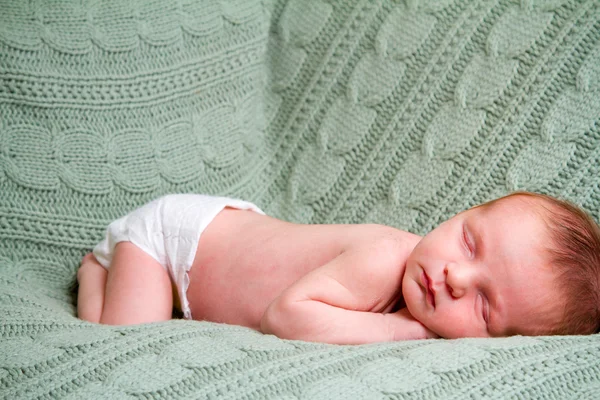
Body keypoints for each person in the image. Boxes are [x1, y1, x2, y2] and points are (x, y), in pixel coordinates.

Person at [76, 191, 600, 344]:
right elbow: (286, 314)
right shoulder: (385, 257)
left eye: (485, 305)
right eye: (468, 240)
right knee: (126, 338)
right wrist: (400, 330)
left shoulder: (426, 286)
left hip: (226, 246)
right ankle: (99, 268)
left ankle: (104, 266)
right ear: (462, 213)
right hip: (176, 245)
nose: (455, 278)